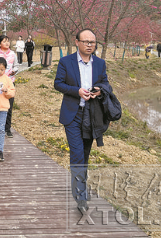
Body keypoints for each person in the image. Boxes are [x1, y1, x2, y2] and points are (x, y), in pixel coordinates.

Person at [54, 28, 110, 214]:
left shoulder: (100, 63)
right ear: (76, 42)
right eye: (86, 42)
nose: (89, 45)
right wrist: (76, 91)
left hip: (92, 115)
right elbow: (58, 83)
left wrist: (100, 90)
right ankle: (81, 197)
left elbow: (106, 83)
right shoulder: (66, 62)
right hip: (73, 115)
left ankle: (81, 190)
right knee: (77, 154)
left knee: (85, 155)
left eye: (92, 42)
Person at [0, 35, 18, 138]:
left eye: (8, 41)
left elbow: (16, 66)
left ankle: (7, 128)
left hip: (9, 82)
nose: (7, 43)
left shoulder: (13, 54)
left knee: (9, 106)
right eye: (4, 41)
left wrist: (14, 71)